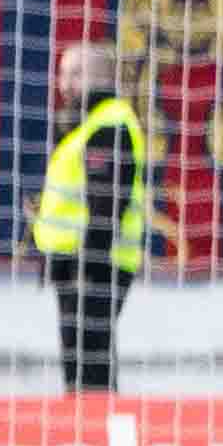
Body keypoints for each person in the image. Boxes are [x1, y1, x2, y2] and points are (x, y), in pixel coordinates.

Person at [33, 41, 153, 396]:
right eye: (62, 73)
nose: (65, 82)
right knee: (79, 357)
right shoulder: (82, 124)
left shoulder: (109, 123)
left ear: (101, 77)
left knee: (90, 357)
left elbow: (107, 202)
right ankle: (85, 431)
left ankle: (94, 433)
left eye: (75, 73)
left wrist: (90, 260)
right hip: (74, 261)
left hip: (97, 262)